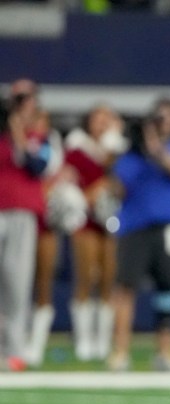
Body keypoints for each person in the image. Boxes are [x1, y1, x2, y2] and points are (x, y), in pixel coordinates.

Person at [27, 103, 129, 366]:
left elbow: (120, 179)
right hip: (84, 218)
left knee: (108, 276)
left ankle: (102, 341)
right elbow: (69, 181)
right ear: (88, 122)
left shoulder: (115, 149)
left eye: (107, 119)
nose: (102, 124)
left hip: (108, 217)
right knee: (86, 276)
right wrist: (93, 192)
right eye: (98, 119)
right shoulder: (76, 148)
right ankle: (83, 339)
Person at [107, 97, 170, 372]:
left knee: (168, 290)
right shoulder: (132, 154)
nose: (165, 123)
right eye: (159, 118)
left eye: (169, 117)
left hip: (168, 229)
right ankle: (121, 351)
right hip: (135, 229)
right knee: (125, 288)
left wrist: (158, 152)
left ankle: (165, 351)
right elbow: (117, 188)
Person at [0, 79, 62, 372]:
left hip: (21, 214)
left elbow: (37, 166)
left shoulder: (42, 137)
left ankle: (13, 350)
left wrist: (18, 134)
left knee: (16, 283)